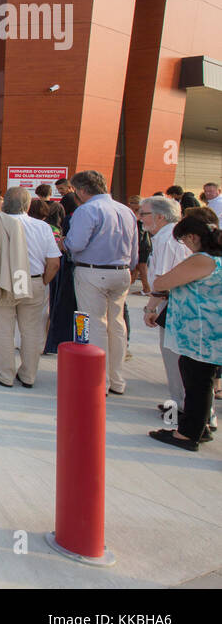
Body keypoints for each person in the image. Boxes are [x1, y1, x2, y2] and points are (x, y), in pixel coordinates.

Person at [147, 217, 222, 450]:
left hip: (200, 332)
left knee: (196, 381)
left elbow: (163, 281)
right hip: (207, 329)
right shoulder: (214, 259)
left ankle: (188, 434)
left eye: (183, 240)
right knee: (200, 380)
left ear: (193, 237)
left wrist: (158, 288)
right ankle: (199, 426)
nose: (184, 246)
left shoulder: (202, 260)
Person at [64, 170, 137, 395]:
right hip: (122, 271)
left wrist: (62, 242)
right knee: (117, 325)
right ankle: (116, 379)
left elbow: (75, 244)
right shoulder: (125, 210)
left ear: (83, 190)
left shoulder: (87, 210)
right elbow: (135, 251)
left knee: (93, 325)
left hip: (93, 271)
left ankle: (98, 380)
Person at [0, 187, 61, 388]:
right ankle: (28, 375)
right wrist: (42, 282)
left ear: (4, 203)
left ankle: (4, 374)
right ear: (27, 205)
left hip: (4, 281)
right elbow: (54, 263)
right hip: (34, 280)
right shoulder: (42, 227)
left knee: (5, 329)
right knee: (32, 330)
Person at [140, 196, 192, 421]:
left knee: (175, 359)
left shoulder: (167, 238)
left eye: (143, 214)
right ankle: (183, 404)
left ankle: (183, 408)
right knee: (179, 359)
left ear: (159, 216)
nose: (140, 218)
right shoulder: (171, 236)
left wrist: (150, 308)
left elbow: (162, 279)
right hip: (177, 303)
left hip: (172, 304)